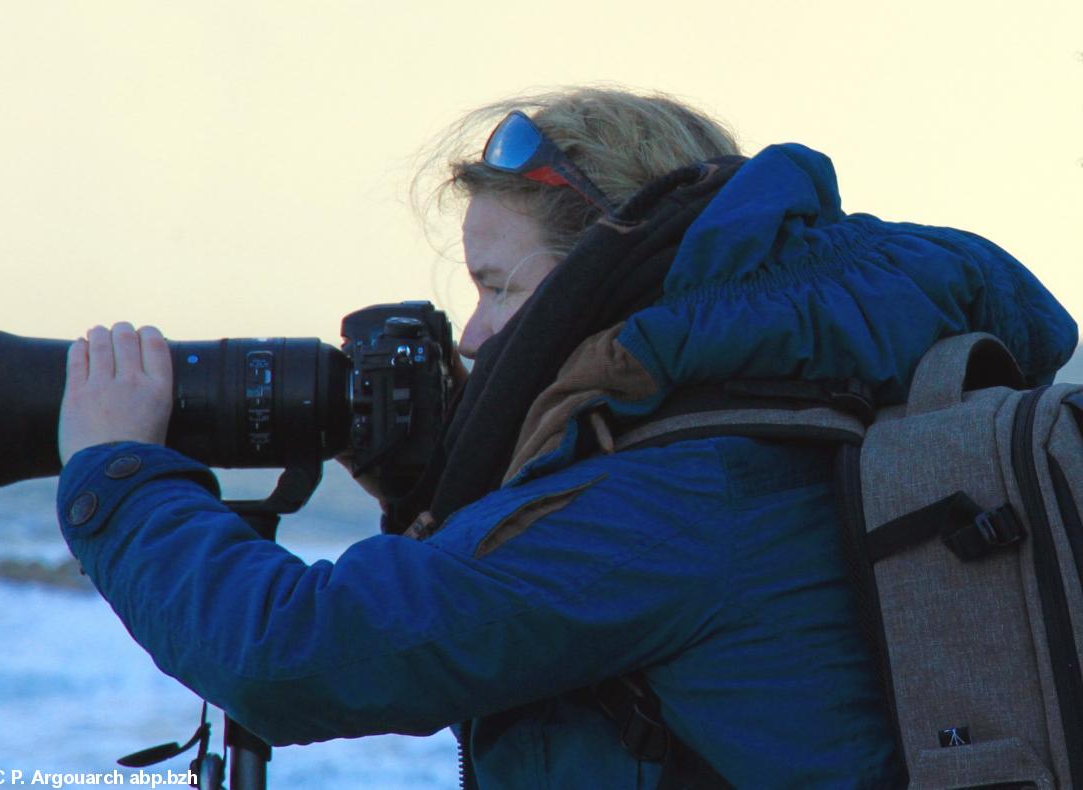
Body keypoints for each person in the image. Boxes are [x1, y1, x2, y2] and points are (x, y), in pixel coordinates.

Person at [56, 87, 1078, 788]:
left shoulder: (683, 495)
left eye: (499, 286)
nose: (473, 336)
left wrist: (116, 475)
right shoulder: (814, 414)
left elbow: (295, 653)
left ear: (598, 277)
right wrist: (438, 488)